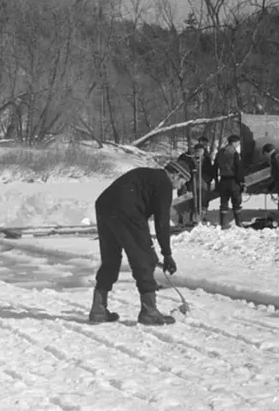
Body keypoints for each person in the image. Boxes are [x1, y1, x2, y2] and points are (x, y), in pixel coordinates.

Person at [88, 160, 191, 325]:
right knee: (143, 260)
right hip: (127, 211)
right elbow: (162, 222)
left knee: (111, 259)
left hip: (104, 206)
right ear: (175, 174)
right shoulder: (164, 183)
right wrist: (167, 254)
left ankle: (98, 309)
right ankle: (149, 311)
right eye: (182, 181)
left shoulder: (147, 175)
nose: (179, 187)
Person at [211, 135, 245, 228]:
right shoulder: (234, 153)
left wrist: (216, 181)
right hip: (233, 181)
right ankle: (238, 223)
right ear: (234, 142)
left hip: (223, 180)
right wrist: (242, 182)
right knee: (236, 202)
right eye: (238, 142)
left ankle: (223, 223)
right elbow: (239, 168)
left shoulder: (220, 152)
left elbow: (215, 168)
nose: (238, 144)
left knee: (224, 202)